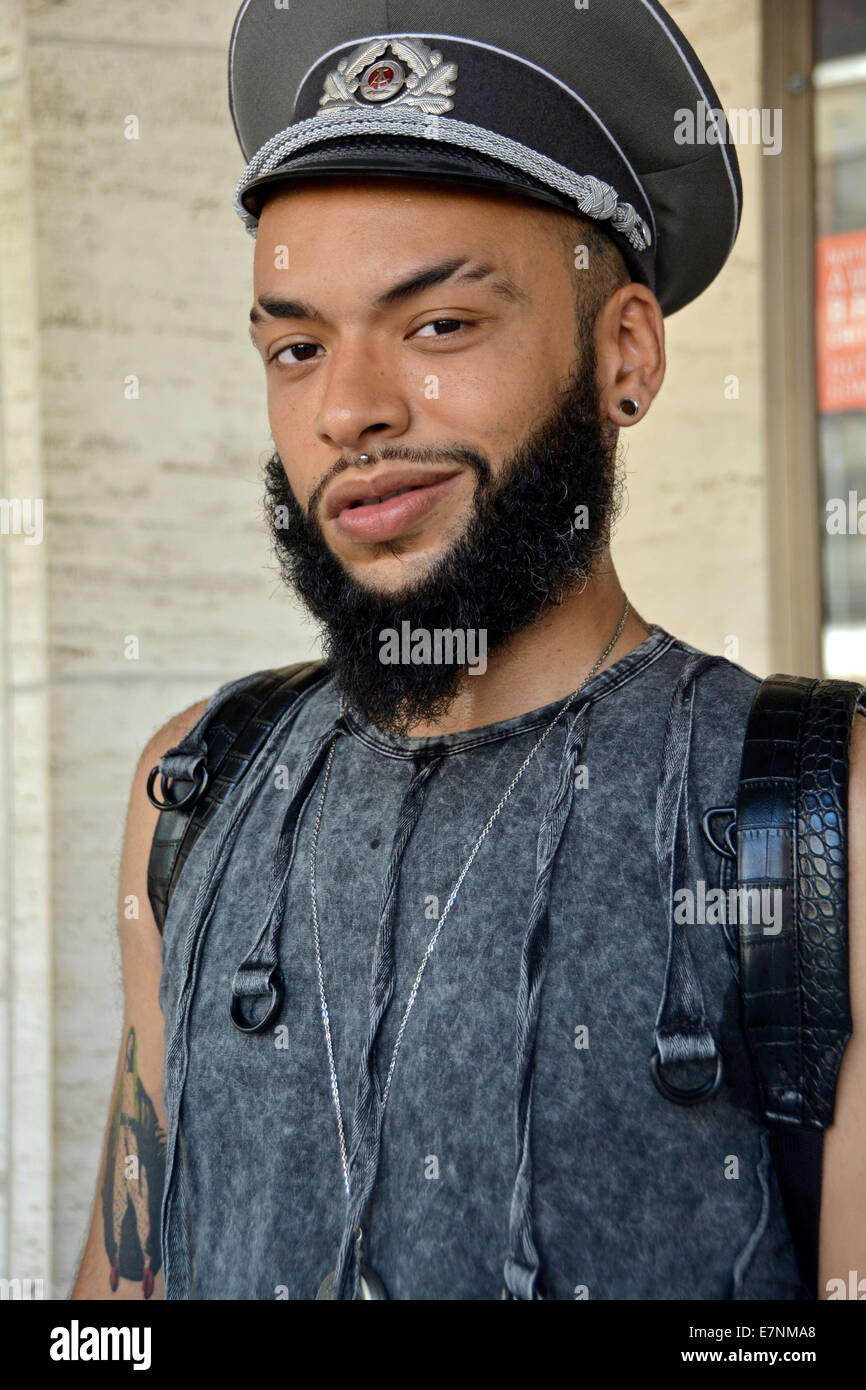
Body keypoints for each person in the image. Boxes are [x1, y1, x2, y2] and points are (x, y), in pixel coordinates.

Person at [71, 0, 866, 1300]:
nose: (348, 408)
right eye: (296, 344)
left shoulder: (815, 815)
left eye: (438, 326)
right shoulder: (191, 790)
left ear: (624, 351)